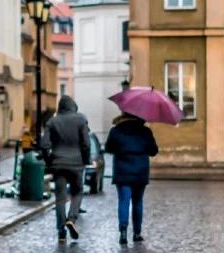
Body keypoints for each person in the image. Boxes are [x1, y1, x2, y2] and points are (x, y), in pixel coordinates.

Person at [104, 112, 159, 245]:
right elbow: (153, 151)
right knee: (137, 202)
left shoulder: (116, 130)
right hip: (140, 171)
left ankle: (123, 233)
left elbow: (108, 148)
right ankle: (137, 233)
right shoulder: (145, 131)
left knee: (124, 201)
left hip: (122, 171)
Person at [44, 95, 91, 242]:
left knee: (60, 198)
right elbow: (86, 144)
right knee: (77, 192)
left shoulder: (52, 122)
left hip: (58, 164)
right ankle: (71, 218)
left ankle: (61, 231)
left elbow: (44, 145)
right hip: (76, 164)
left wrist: (49, 161)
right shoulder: (81, 120)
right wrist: (86, 159)